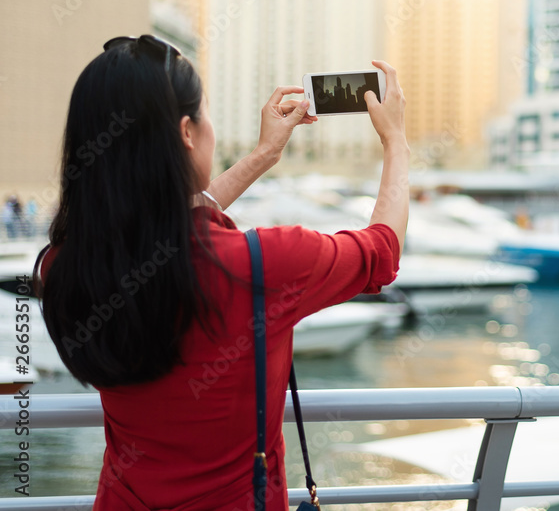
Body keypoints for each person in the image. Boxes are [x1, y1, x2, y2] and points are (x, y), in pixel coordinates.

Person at [33, 35, 409, 509]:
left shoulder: (64, 264)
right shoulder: (264, 263)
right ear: (186, 132)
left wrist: (263, 156)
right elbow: (383, 250)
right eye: (207, 113)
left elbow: (160, 224)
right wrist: (395, 141)